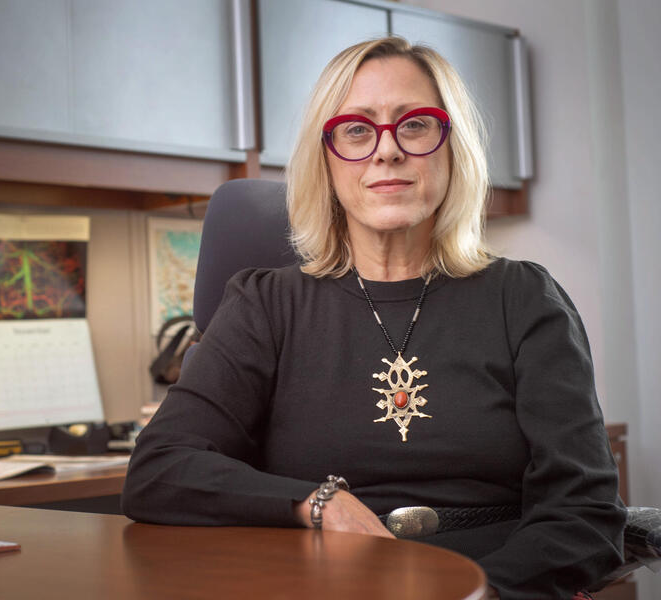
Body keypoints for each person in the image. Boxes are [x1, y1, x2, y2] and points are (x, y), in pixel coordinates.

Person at [122, 36, 625, 599]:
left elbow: (584, 512)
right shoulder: (266, 304)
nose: (387, 150)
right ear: (326, 159)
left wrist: (480, 595)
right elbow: (159, 469)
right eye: (357, 130)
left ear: (453, 148)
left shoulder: (525, 298)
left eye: (415, 124)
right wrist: (318, 502)